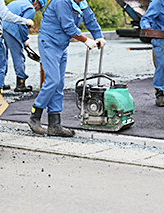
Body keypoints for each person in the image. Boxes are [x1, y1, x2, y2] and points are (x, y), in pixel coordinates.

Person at [27, 0, 106, 137]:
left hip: (61, 46)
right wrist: (86, 40)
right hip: (49, 42)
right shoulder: (61, 2)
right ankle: (35, 116)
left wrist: (99, 36)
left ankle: (54, 125)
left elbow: (90, 19)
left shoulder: (81, 3)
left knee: (59, 84)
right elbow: (68, 26)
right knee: (53, 80)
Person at [3, 0, 46, 92]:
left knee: (2, 55)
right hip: (11, 29)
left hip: (0, 27)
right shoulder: (31, 9)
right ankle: (20, 84)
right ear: (37, 3)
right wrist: (25, 39)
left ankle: (0, 83)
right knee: (18, 55)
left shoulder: (18, 2)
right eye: (39, 8)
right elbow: (23, 25)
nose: (38, 10)